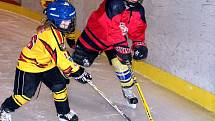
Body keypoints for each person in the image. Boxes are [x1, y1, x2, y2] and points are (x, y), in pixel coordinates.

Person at [0, 1, 92, 121]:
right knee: (24, 96)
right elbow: (62, 61)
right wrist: (78, 72)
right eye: (67, 21)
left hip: (47, 64)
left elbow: (61, 53)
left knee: (59, 85)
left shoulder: (56, 30)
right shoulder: (50, 36)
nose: (70, 23)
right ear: (56, 20)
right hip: (29, 66)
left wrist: (75, 69)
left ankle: (63, 113)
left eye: (70, 20)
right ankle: (5, 108)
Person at [70, 0, 148, 109]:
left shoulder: (138, 10)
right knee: (78, 62)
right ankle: (61, 77)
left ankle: (128, 92)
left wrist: (139, 44)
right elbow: (112, 28)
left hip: (115, 42)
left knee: (122, 66)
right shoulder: (114, 3)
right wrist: (123, 48)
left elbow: (137, 29)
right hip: (95, 37)